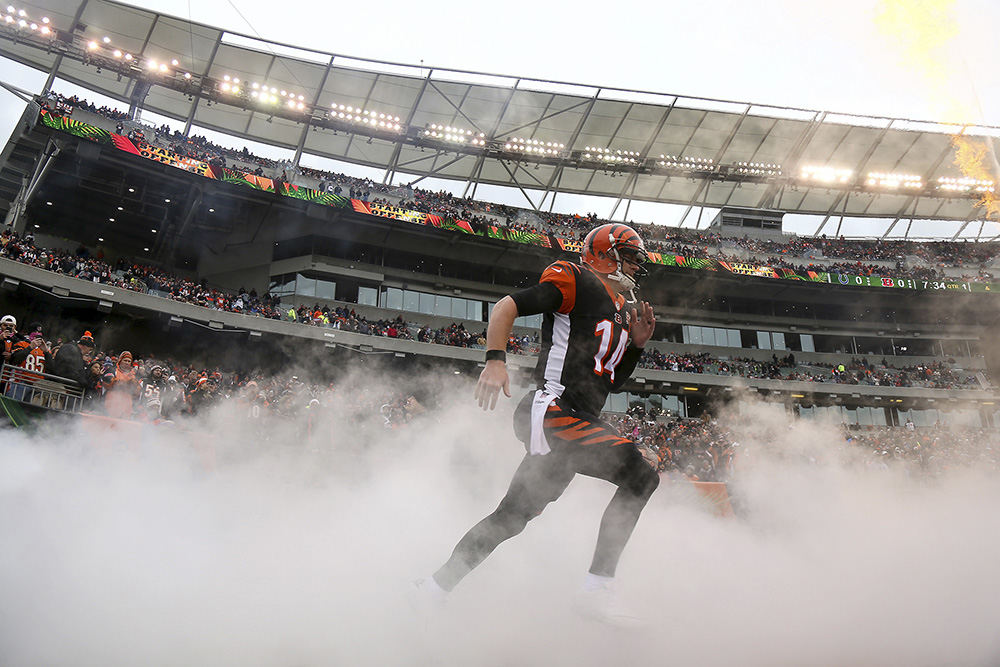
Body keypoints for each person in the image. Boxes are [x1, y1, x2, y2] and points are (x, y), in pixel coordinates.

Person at [420, 223, 660, 626]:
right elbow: (507, 306)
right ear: (606, 253)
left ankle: (432, 589)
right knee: (641, 476)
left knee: (511, 518)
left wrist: (634, 347)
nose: (637, 266)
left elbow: (610, 381)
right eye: (632, 256)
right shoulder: (576, 278)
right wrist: (495, 359)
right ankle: (597, 590)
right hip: (551, 410)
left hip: (576, 418)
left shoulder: (619, 311)